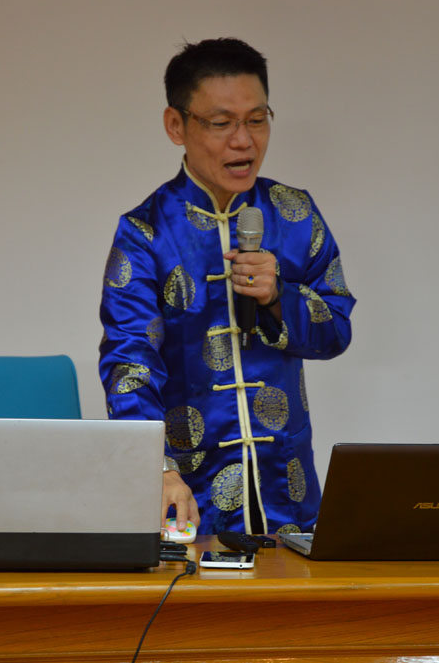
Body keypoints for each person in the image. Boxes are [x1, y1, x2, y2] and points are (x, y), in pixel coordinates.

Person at [99, 37, 355, 536]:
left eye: (257, 120)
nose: (244, 141)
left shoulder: (295, 214)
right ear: (177, 125)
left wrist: (279, 297)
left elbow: (337, 331)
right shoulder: (144, 233)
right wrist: (159, 470)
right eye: (221, 123)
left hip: (289, 491)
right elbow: (129, 365)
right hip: (190, 498)